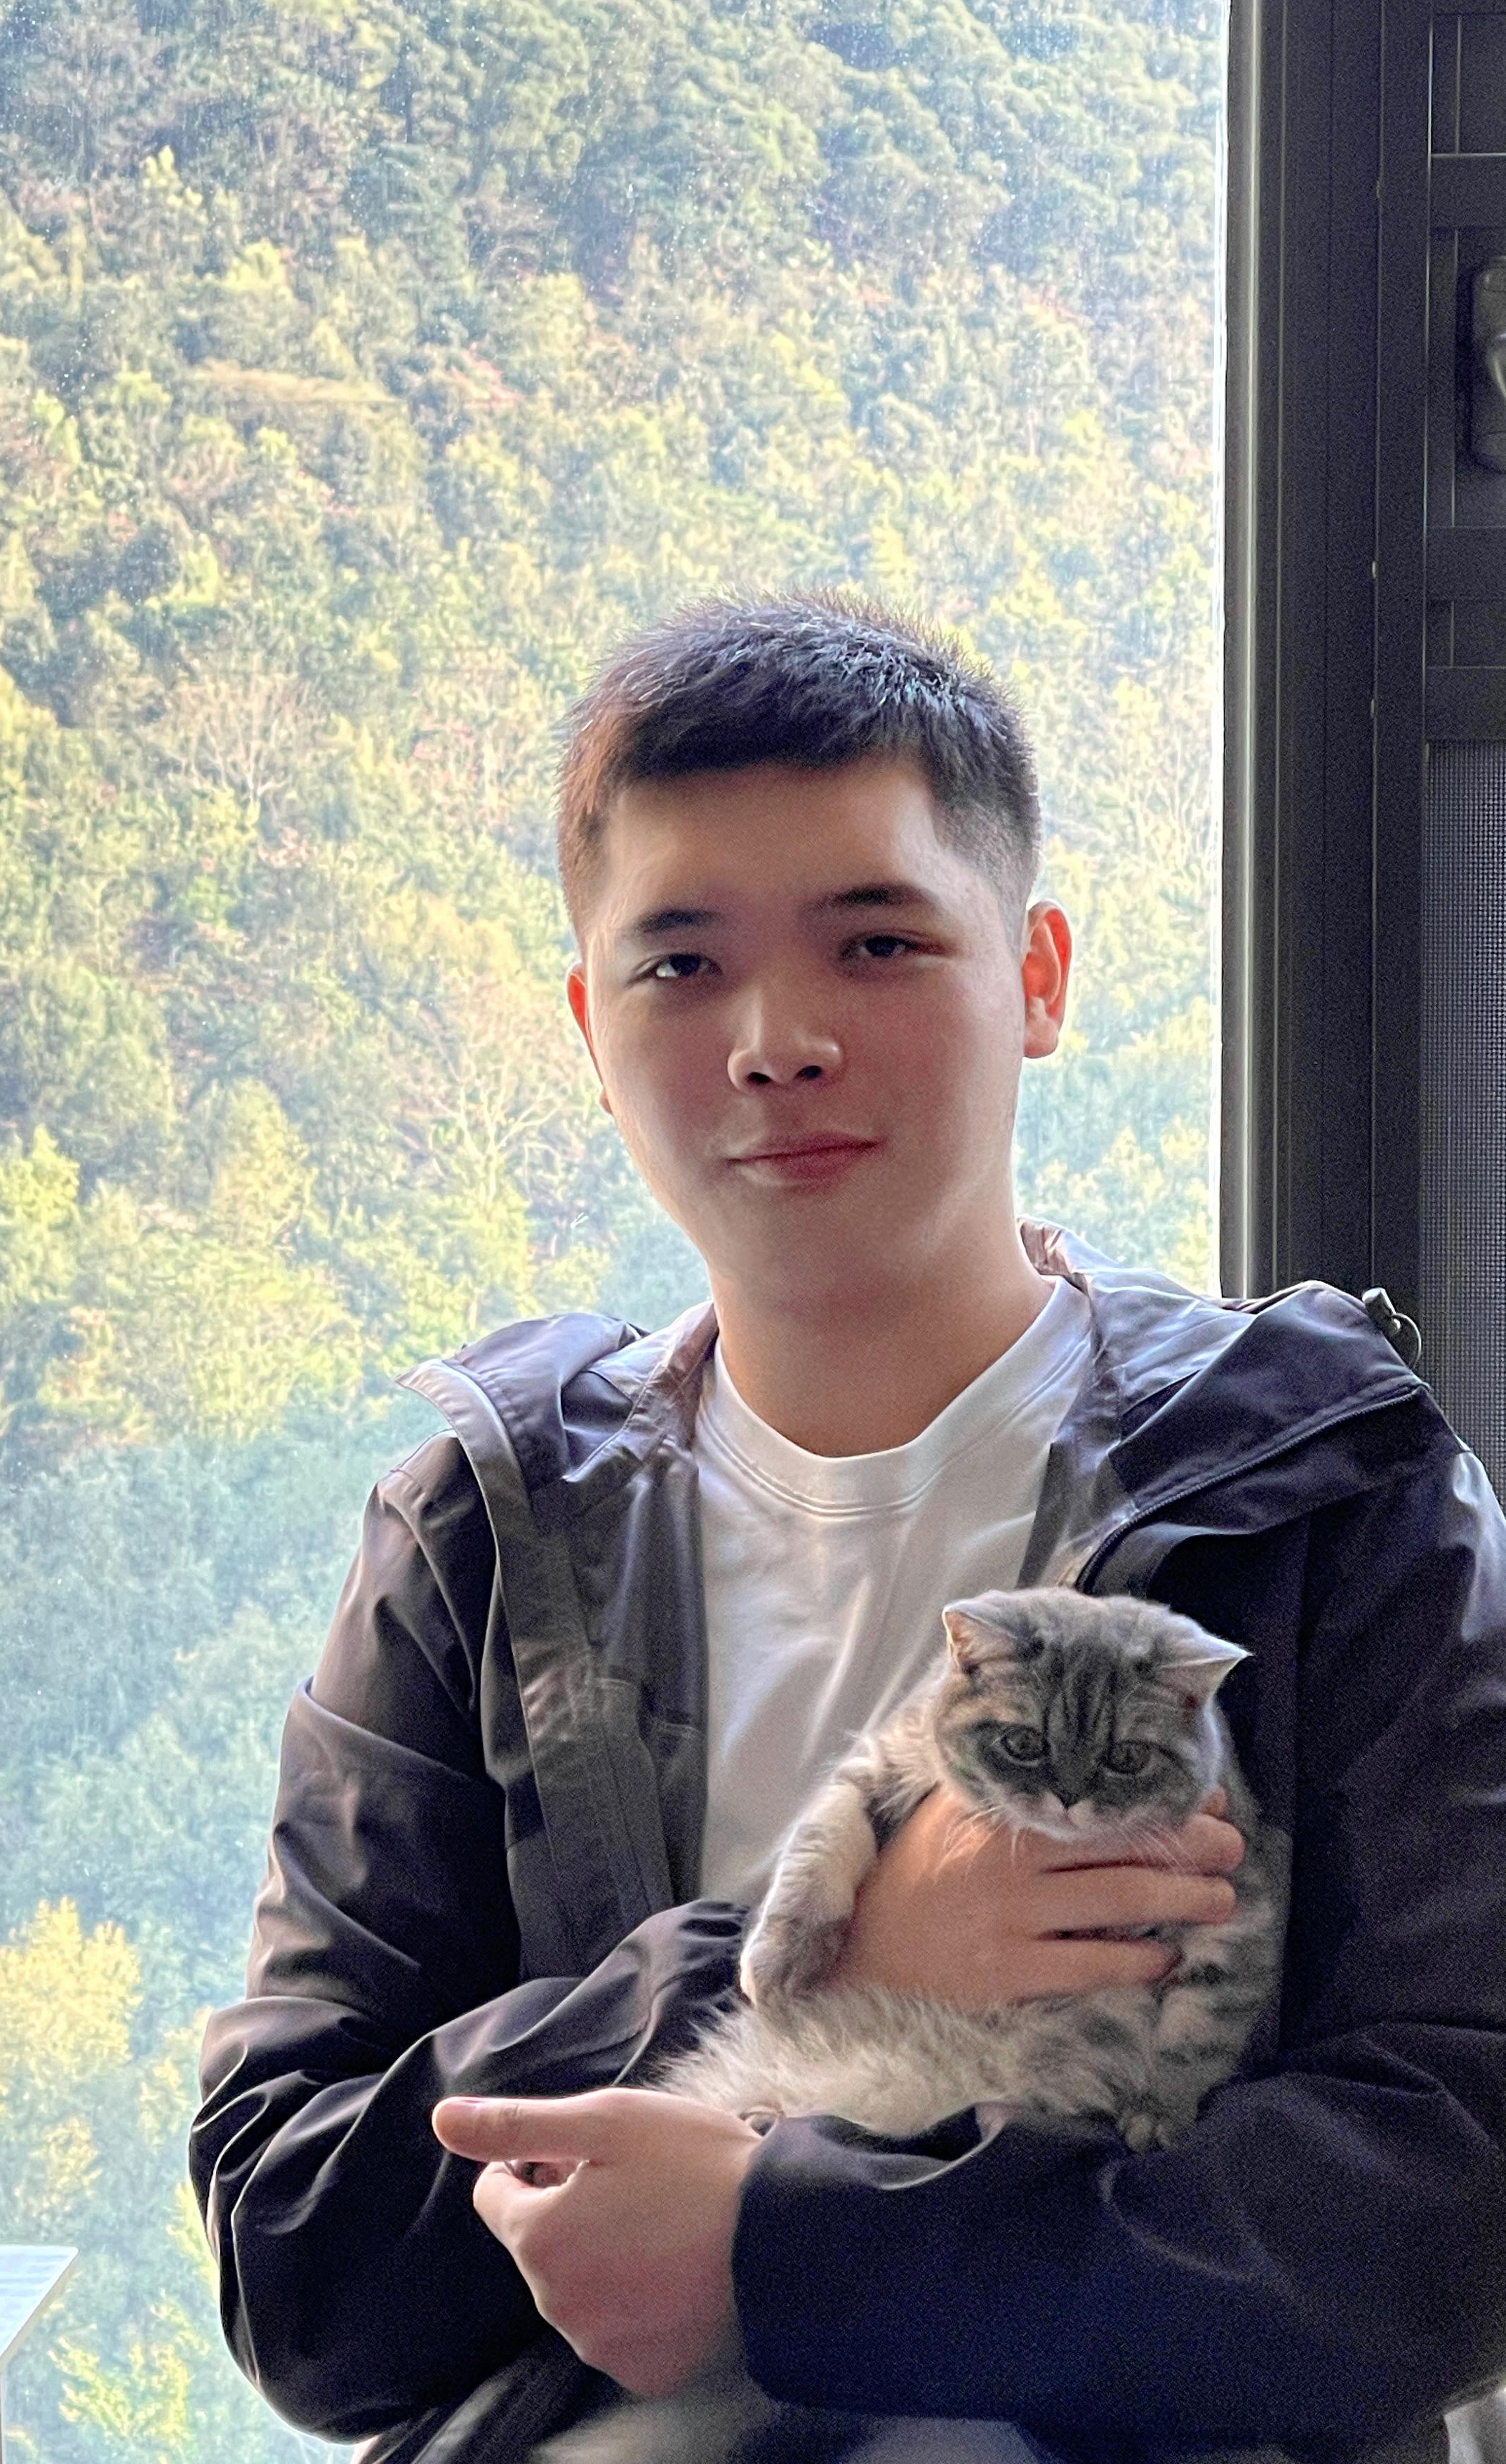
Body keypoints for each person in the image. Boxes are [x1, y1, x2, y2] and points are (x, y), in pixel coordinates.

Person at [189, 596, 1506, 2464]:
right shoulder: (482, 1533)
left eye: (877, 942)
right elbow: (295, 2258)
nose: (779, 1040)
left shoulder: (1320, 1486)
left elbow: (1453, 2195)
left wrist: (789, 2252)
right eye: (681, 964)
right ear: (590, 1027)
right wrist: (812, 1947)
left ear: (1036, 976)